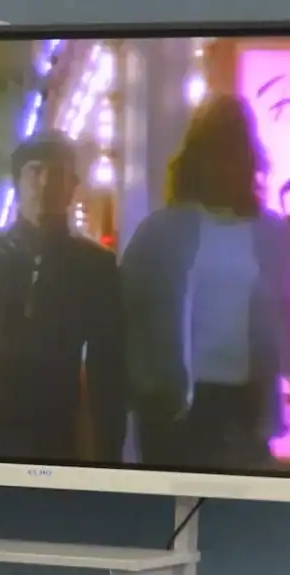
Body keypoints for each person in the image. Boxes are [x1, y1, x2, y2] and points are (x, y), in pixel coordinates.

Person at [120, 94, 290, 469]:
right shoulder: (161, 232)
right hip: (172, 407)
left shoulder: (274, 235)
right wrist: (142, 385)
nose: (224, 166)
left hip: (247, 407)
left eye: (233, 151)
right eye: (214, 152)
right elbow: (125, 314)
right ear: (195, 161)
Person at [0, 131, 126, 462]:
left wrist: (109, 452)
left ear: (72, 186)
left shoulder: (94, 265)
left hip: (57, 432)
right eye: (35, 171)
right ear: (18, 181)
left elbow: (107, 367)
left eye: (57, 173)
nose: (45, 183)